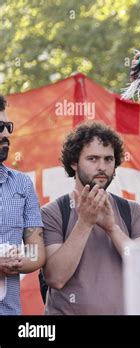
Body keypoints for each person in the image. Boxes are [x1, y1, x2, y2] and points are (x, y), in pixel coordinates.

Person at [41, 122, 140, 314]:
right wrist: (84, 223)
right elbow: (56, 278)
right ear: (74, 162)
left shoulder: (132, 210)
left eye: (109, 159)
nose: (102, 167)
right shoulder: (52, 212)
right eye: (93, 159)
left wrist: (112, 228)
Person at [0, 95, 45, 315]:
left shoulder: (21, 183)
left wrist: (14, 262)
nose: (7, 134)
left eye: (9, 126)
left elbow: (37, 252)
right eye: (0, 127)